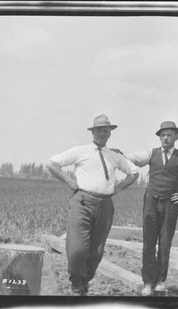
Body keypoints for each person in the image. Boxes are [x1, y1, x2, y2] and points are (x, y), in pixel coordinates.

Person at [46, 114, 139, 296]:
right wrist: (69, 181)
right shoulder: (81, 151)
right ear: (93, 132)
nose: (102, 134)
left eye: (106, 130)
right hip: (82, 202)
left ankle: (83, 284)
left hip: (105, 205)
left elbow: (134, 172)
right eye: (99, 130)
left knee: (96, 251)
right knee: (77, 248)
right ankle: (76, 283)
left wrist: (118, 188)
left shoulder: (114, 156)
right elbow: (52, 164)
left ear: (110, 133)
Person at [124, 121, 178, 296]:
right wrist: (117, 155)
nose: (165, 138)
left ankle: (160, 280)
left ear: (176, 137)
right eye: (163, 135)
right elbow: (132, 159)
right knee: (148, 243)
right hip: (151, 201)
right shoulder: (151, 154)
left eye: (169, 135)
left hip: (170, 204)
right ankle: (147, 282)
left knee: (165, 243)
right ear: (159, 137)